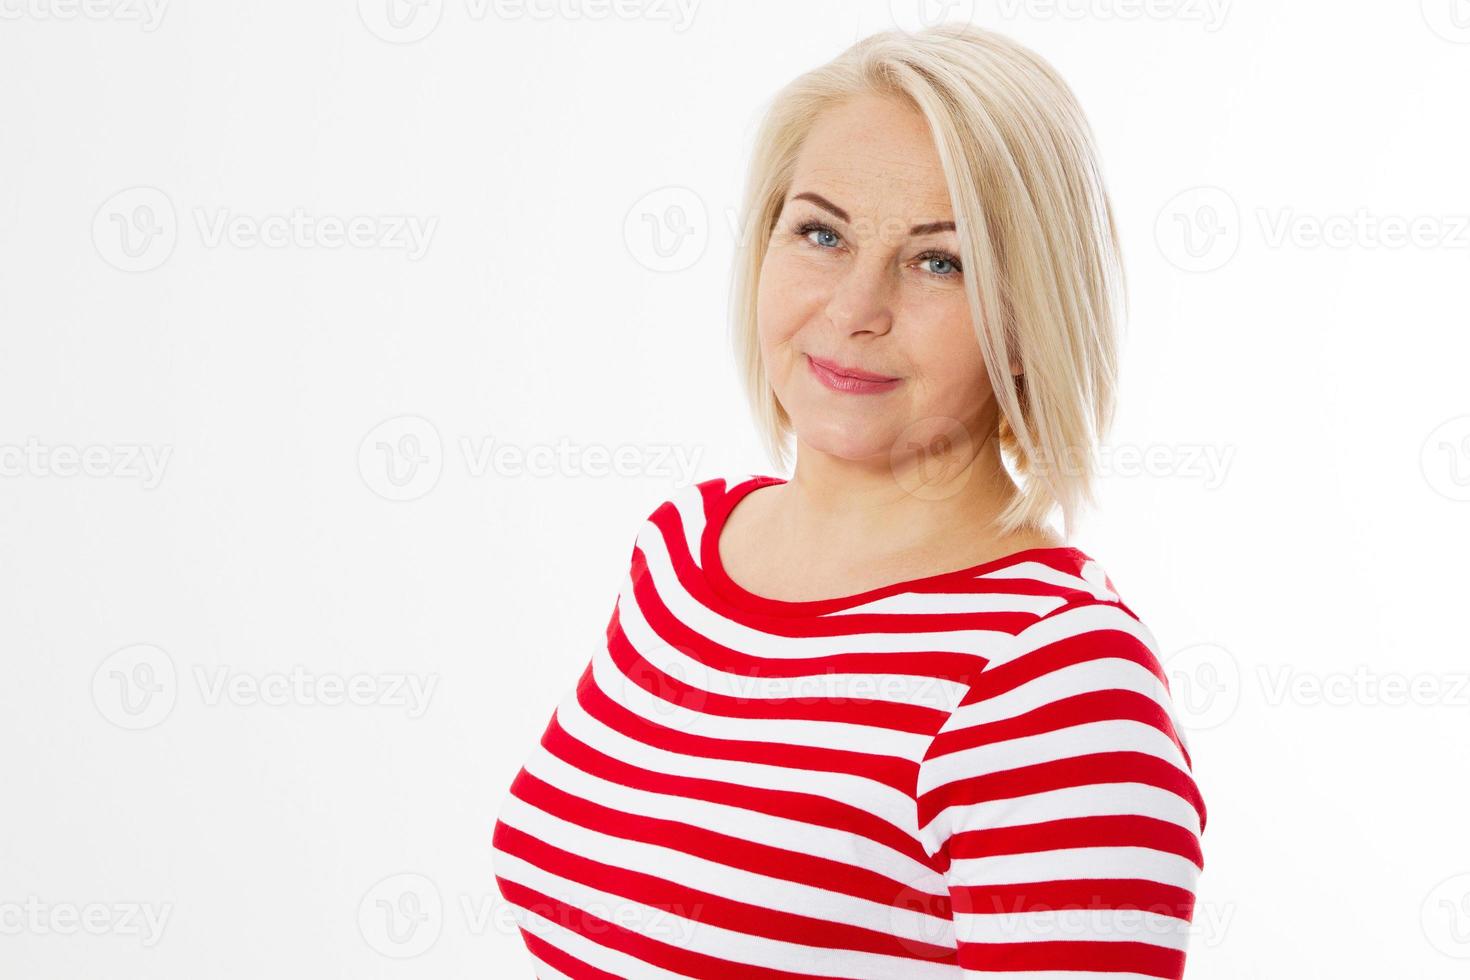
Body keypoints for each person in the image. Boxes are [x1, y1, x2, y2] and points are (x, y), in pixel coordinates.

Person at [492, 21, 1206, 979]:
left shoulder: (1054, 679)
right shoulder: (685, 548)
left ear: (1031, 313)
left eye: (938, 261)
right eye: (821, 233)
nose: (854, 307)